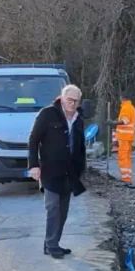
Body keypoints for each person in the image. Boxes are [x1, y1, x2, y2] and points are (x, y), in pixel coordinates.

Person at [28, 84, 87, 259]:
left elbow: (80, 146)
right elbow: (33, 140)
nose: (73, 104)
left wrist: (82, 170)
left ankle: (53, 243)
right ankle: (52, 245)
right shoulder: (47, 114)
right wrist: (34, 165)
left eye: (76, 101)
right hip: (50, 170)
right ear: (62, 98)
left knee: (63, 210)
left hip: (70, 173)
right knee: (52, 208)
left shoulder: (78, 119)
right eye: (70, 100)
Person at [115, 93, 135, 184]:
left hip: (124, 137)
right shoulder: (132, 108)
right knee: (127, 158)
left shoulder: (126, 107)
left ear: (122, 98)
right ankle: (127, 177)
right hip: (128, 137)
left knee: (123, 158)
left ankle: (125, 179)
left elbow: (124, 120)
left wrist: (113, 122)